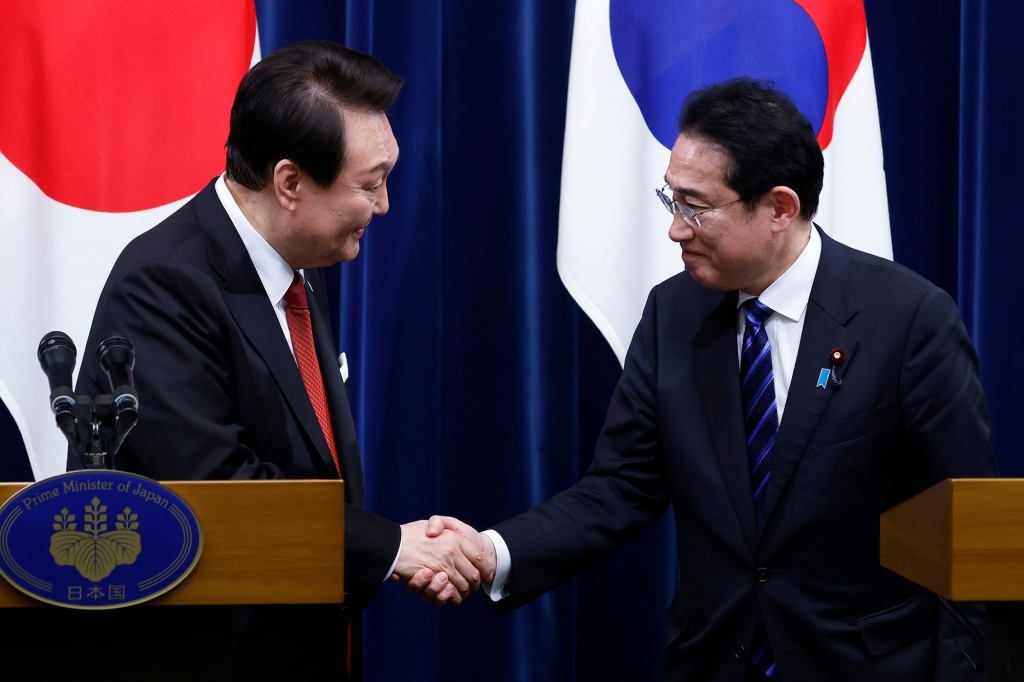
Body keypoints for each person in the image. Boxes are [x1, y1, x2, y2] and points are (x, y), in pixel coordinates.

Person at [424, 78, 999, 680]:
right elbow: (620, 488)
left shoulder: (908, 319)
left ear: (780, 208)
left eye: (697, 207)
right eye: (671, 200)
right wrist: (493, 553)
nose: (676, 229)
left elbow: (965, 527)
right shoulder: (672, 314)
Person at [70, 40, 489, 680]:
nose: (382, 207)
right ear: (290, 182)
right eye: (370, 185)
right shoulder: (163, 284)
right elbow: (217, 488)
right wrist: (392, 547)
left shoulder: (296, 264)